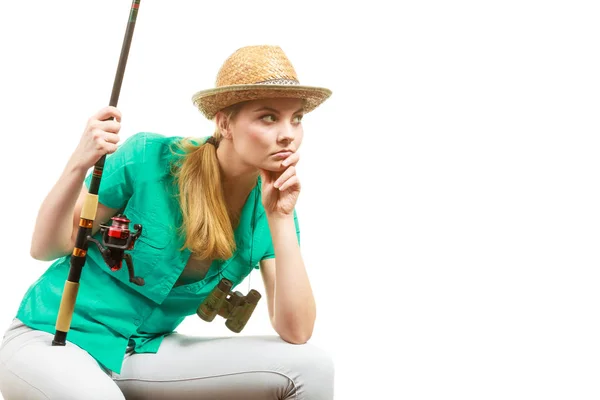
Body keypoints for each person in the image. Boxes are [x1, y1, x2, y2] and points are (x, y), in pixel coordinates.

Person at [0, 45, 334, 400]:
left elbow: (296, 332)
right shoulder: (148, 158)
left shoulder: (273, 206)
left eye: (296, 118)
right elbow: (45, 247)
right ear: (224, 123)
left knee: (312, 367)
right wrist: (78, 163)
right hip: (54, 339)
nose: (288, 134)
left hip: (143, 352)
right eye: (268, 117)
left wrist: (280, 219)